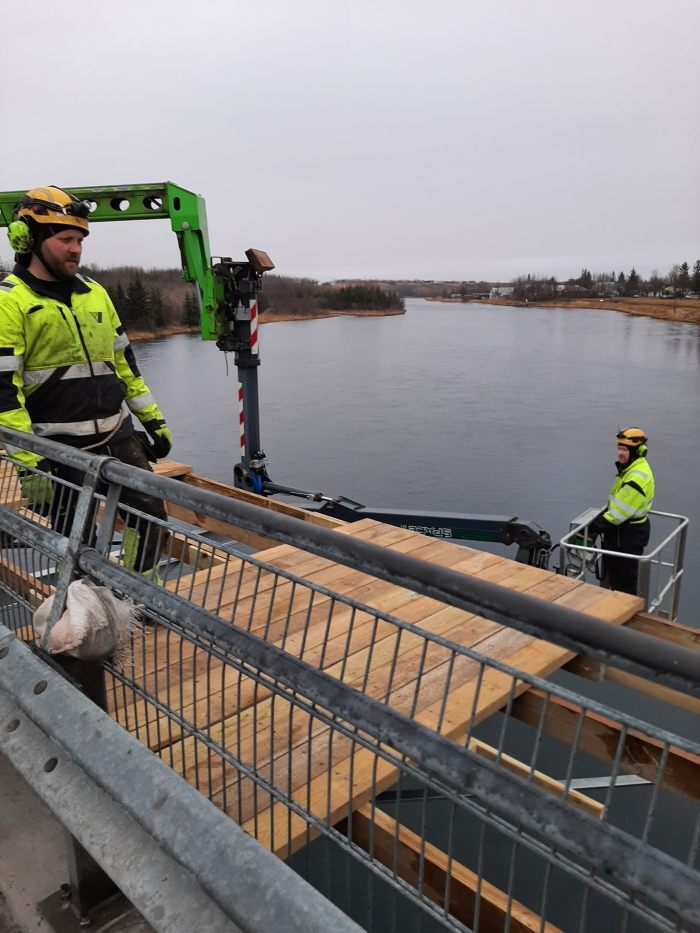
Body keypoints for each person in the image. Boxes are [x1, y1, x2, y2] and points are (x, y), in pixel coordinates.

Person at [0, 186, 173, 579]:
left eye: (79, 239)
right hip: (56, 448)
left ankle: (136, 599)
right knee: (76, 541)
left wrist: (154, 422)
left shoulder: (94, 294)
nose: (75, 248)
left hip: (115, 434)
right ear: (26, 239)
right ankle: (87, 611)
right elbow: (3, 393)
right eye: (65, 239)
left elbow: (124, 366)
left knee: (150, 516)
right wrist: (28, 465)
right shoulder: (8, 302)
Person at [589, 427, 655, 596]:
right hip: (625, 533)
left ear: (638, 451)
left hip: (627, 536)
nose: (620, 453)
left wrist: (592, 527)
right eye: (619, 448)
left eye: (624, 449)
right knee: (619, 576)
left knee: (624, 581)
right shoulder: (633, 469)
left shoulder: (636, 477)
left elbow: (616, 516)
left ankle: (624, 617)